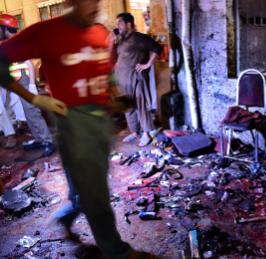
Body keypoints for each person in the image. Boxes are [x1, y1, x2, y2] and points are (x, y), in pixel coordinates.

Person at [0, 1, 153, 258]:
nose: (95, 5)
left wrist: (113, 95)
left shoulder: (99, 32)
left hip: (100, 122)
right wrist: (33, 98)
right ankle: (116, 251)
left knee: (85, 186)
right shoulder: (46, 32)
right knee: (97, 193)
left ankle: (66, 215)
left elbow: (105, 72)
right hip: (74, 123)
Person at [0, 14, 55, 156]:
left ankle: (47, 141)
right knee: (25, 112)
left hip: (24, 79)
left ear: (4, 28)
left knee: (32, 111)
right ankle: (39, 139)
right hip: (14, 81)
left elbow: (29, 63)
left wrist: (31, 85)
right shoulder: (6, 42)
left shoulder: (17, 42)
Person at [113, 12, 162, 147]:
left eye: (120, 23)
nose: (117, 26)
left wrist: (147, 65)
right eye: (116, 23)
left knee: (140, 105)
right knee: (128, 106)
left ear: (129, 24)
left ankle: (147, 133)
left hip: (135, 78)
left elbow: (157, 49)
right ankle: (134, 131)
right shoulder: (120, 39)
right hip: (122, 78)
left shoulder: (140, 38)